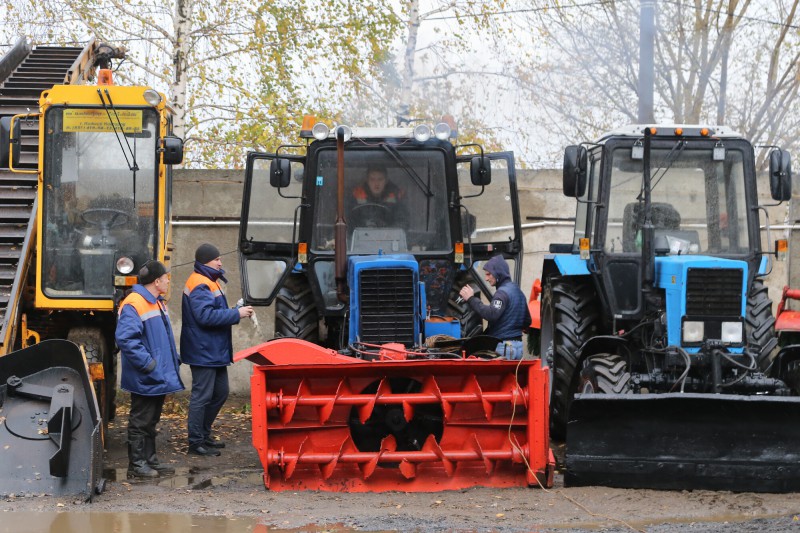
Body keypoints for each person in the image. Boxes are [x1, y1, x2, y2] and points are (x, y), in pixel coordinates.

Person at [181, 243, 254, 457]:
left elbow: (214, 313)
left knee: (220, 393)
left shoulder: (210, 281)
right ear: (206, 261)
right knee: (201, 396)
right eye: (217, 259)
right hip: (203, 350)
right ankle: (195, 442)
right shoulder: (200, 283)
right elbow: (205, 317)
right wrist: (236, 314)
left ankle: (203, 434)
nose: (221, 262)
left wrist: (234, 311)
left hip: (212, 350)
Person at [116, 260, 184, 478]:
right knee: (140, 420)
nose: (167, 281)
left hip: (155, 374)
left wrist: (170, 359)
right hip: (146, 375)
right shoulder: (135, 303)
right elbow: (126, 339)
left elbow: (158, 338)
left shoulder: (155, 301)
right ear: (157, 281)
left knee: (151, 420)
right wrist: (149, 364)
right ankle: (136, 465)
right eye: (165, 278)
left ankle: (149, 460)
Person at [459, 255, 531, 360]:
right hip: (518, 347)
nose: (486, 278)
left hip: (504, 348)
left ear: (498, 273)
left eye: (489, 274)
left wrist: (471, 299)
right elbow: (527, 321)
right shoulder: (518, 292)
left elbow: (491, 314)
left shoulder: (502, 293)